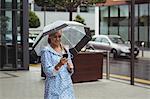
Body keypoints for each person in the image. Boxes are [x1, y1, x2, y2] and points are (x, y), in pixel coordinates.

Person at [40, 30, 76, 99]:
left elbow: (70, 69)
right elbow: (47, 72)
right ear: (50, 37)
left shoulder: (65, 49)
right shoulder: (46, 51)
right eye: (55, 37)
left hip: (66, 86)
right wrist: (59, 64)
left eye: (59, 36)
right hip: (54, 86)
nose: (57, 39)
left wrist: (70, 68)